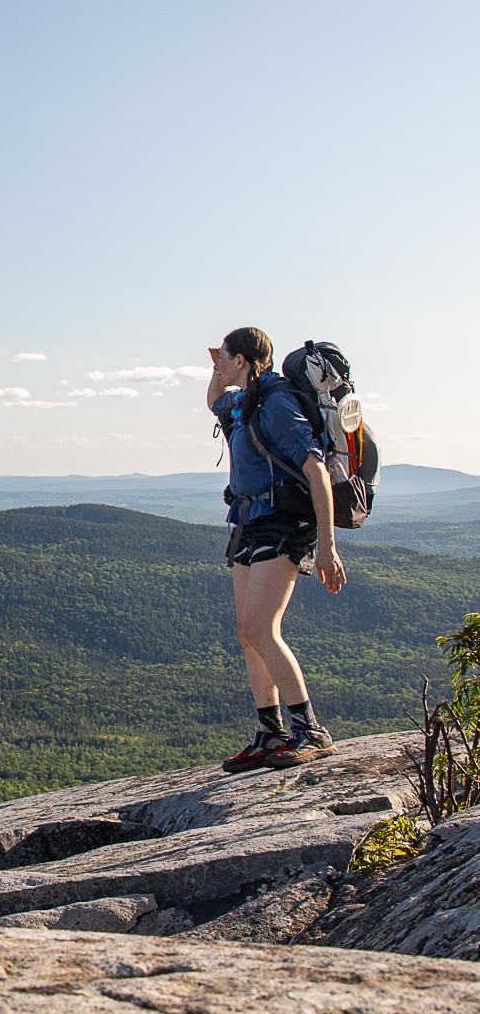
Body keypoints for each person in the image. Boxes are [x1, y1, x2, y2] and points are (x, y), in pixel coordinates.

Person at [207, 327, 345, 772]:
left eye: (224, 357)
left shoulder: (277, 403)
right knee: (247, 632)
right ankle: (271, 732)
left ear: (243, 361)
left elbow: (316, 470)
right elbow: (212, 400)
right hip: (249, 520)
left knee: (259, 626)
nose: (219, 365)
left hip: (284, 521)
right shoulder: (241, 399)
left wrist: (328, 547)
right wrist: (216, 369)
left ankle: (310, 731)